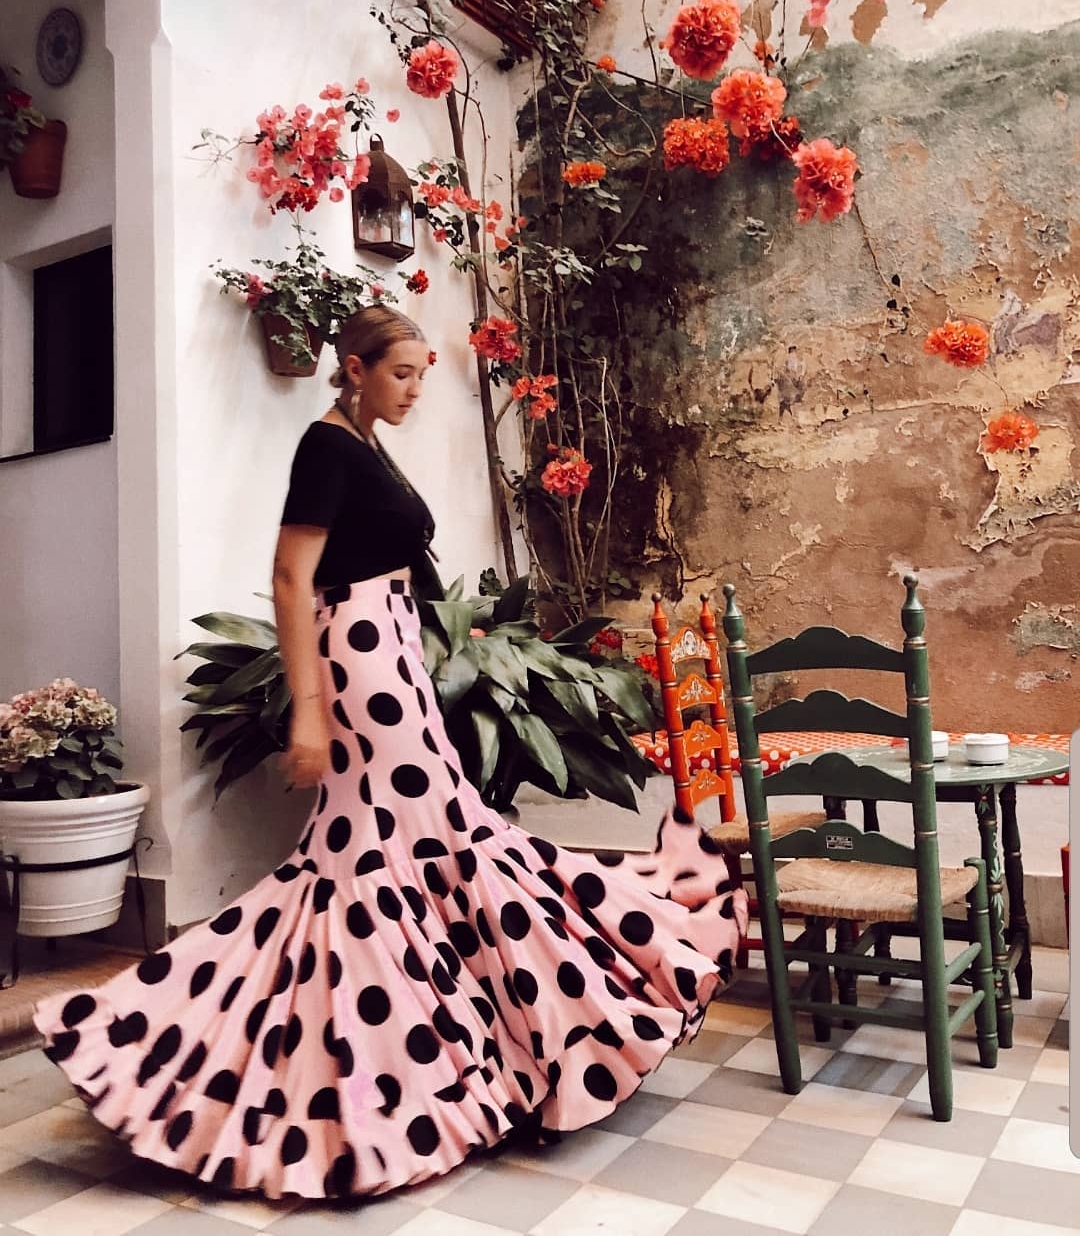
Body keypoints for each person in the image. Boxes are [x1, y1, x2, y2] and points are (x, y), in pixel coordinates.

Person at [34, 306, 746, 1201]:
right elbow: (291, 576)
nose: (414, 390)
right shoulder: (326, 447)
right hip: (358, 660)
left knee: (410, 848)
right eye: (401, 373)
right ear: (355, 367)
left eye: (420, 375)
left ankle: (465, 1051)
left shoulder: (365, 446)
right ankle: (378, 1069)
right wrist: (309, 711)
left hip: (392, 650)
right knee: (387, 856)